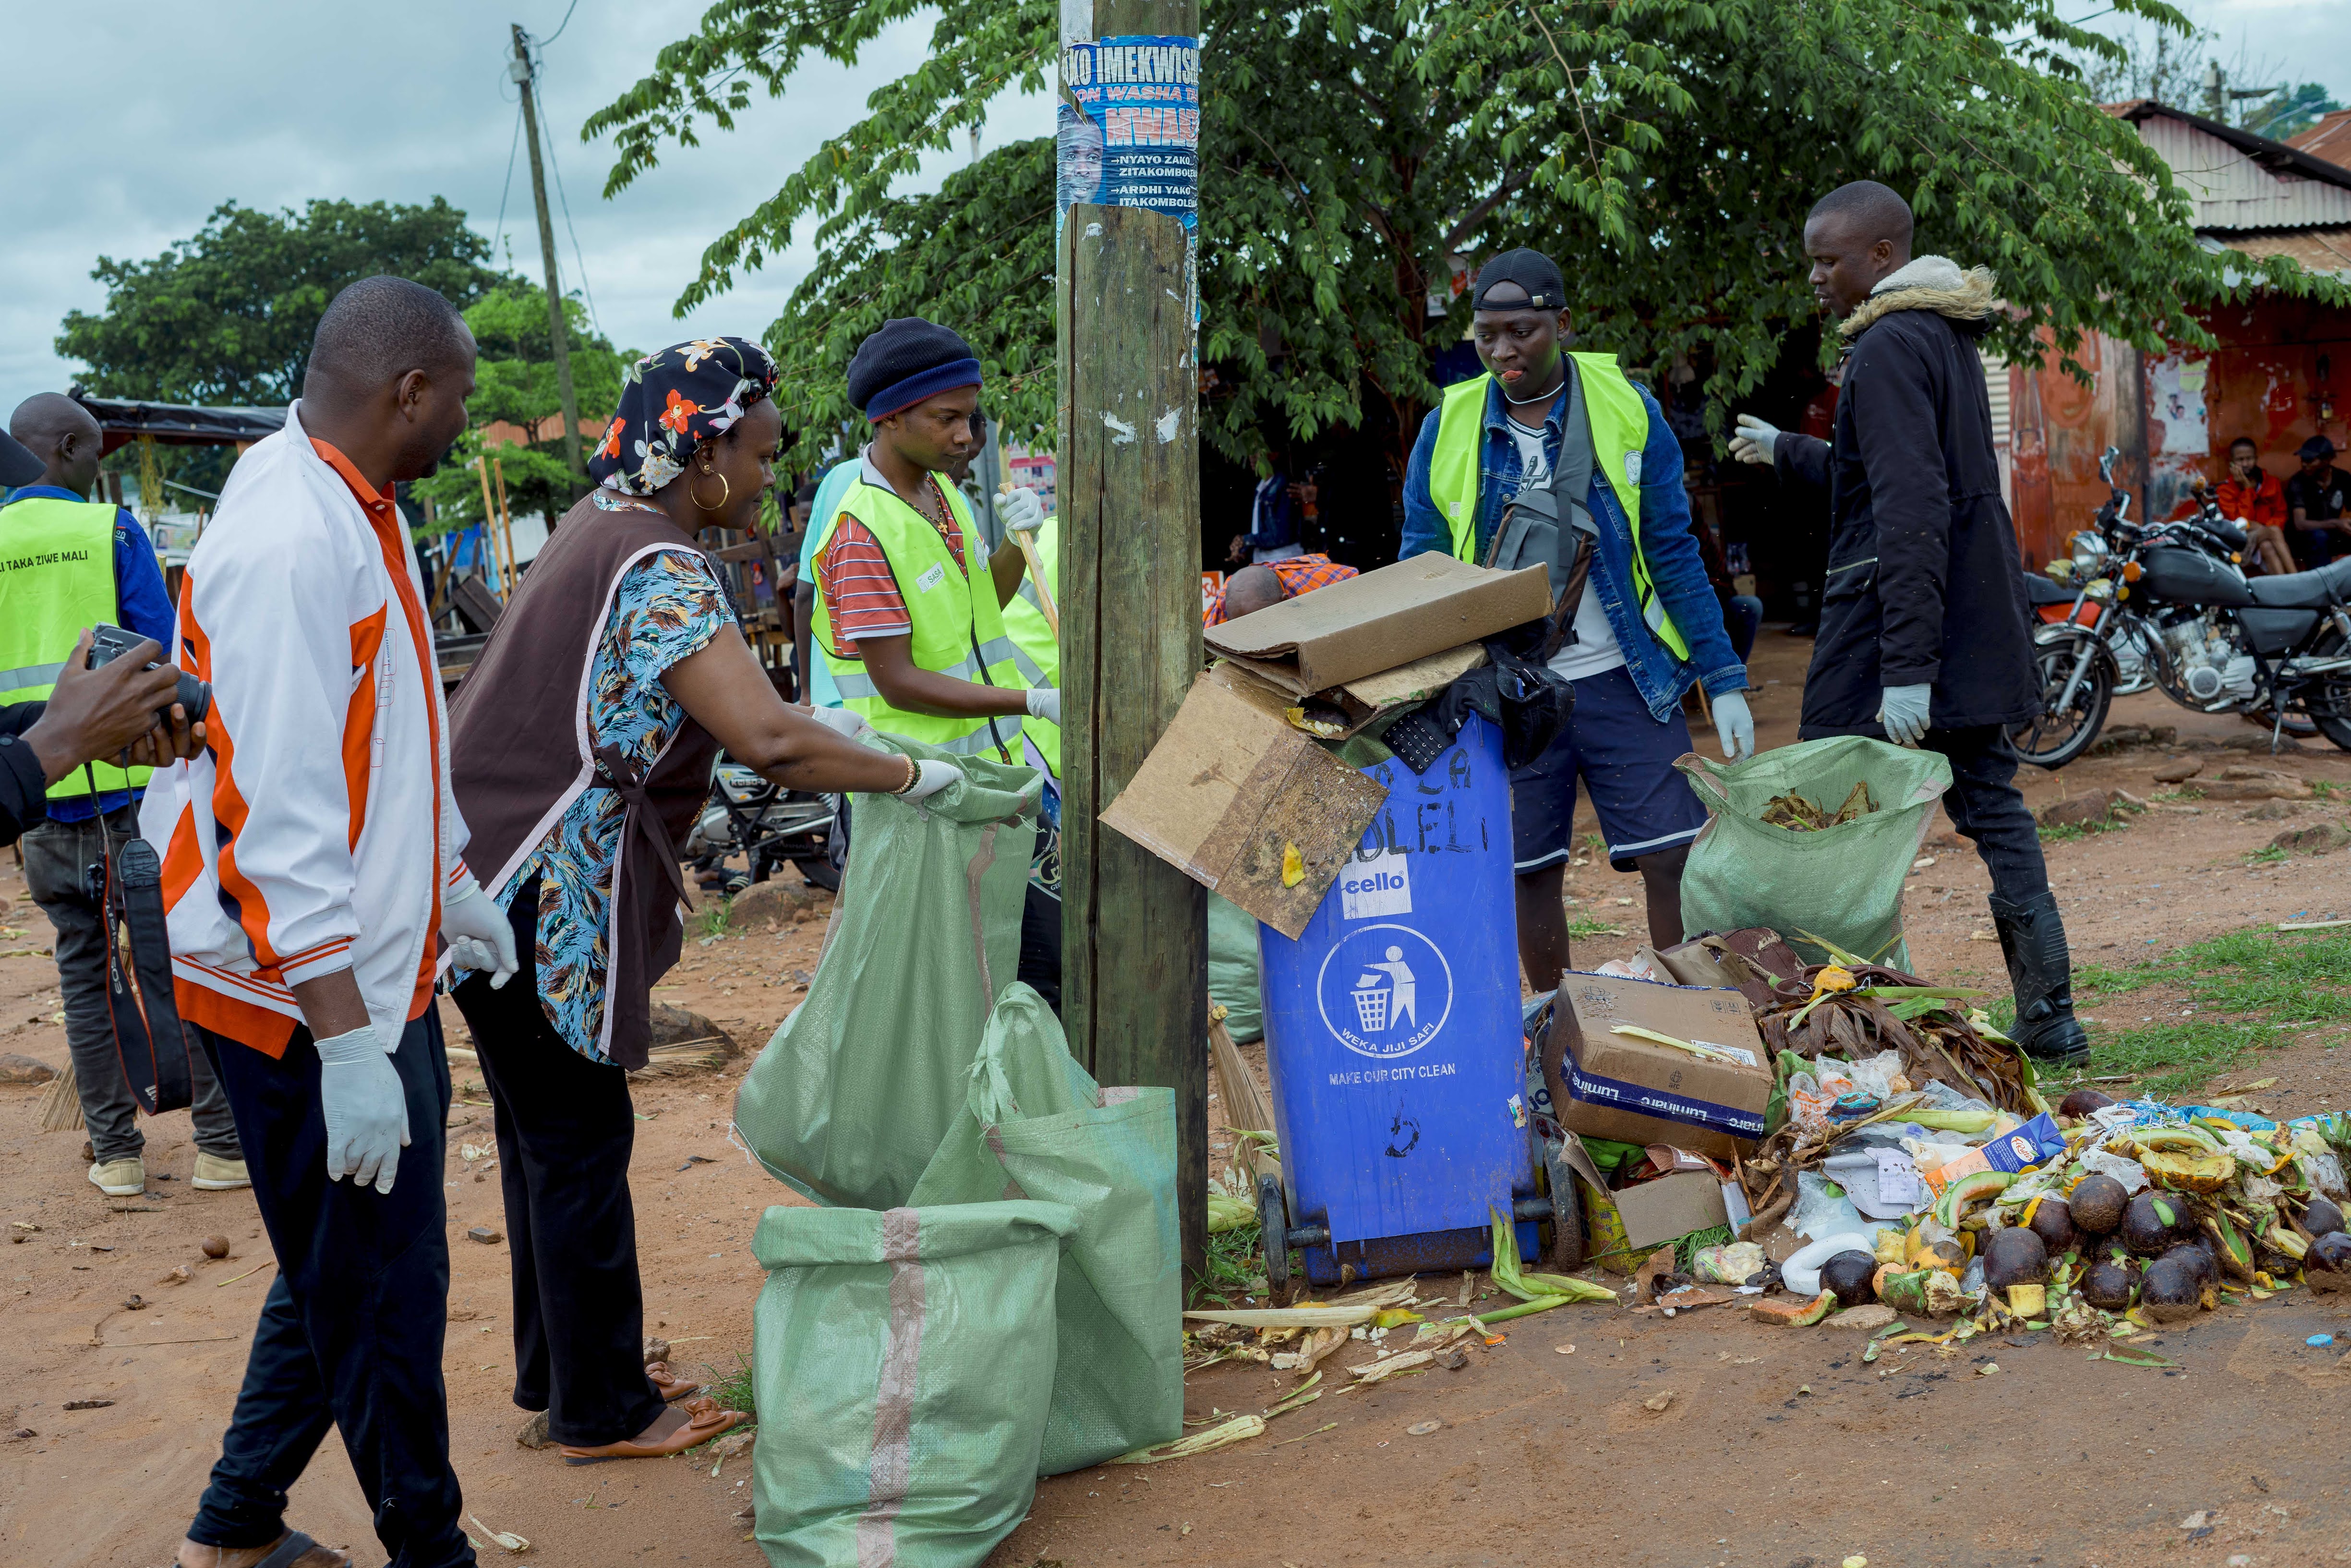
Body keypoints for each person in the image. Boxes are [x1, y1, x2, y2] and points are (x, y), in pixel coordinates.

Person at [446, 337, 942, 1466]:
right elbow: (764, 735)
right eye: (762, 454)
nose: (771, 476)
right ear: (705, 448)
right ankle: (604, 1409)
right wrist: (912, 772)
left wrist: (840, 736)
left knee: (542, 1134)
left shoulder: (596, 526)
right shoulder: (659, 562)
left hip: (487, 872)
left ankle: (564, 1368)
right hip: (549, 884)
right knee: (577, 1135)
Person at [145, 276, 514, 1568]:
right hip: (298, 990)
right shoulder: (296, 540)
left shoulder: (353, 499)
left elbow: (391, 736)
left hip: (363, 967)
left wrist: (448, 874)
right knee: (386, 1297)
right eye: (459, 397)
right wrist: (347, 1042)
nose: (467, 423)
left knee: (342, 1261)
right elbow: (277, 809)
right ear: (407, 391)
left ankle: (235, 1526)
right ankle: (433, 1550)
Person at [1728, 180, 2086, 1065]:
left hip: (1896, 632)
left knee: (1817, 812)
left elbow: (1910, 508)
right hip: (1964, 620)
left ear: (1880, 257)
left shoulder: (1887, 346)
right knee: (1992, 809)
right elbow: (1884, 478)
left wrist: (1904, 669)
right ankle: (2049, 1015)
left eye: (1828, 260)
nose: (1815, 278)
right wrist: (1787, 450)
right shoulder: (1941, 335)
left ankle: (1833, 1023)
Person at [1399, 247, 1755, 980]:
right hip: (1510, 688)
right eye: (1487, 333)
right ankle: (1562, 1029)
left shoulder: (1628, 407)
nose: (1503, 351)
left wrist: (1722, 676)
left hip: (1627, 676)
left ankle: (1689, 1015)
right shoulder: (1448, 427)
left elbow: (1672, 548)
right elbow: (1419, 568)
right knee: (1529, 868)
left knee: (1671, 854)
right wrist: (1421, 686)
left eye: (1522, 331)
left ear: (1561, 323)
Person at [2, 393, 249, 1198]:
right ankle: (218, 1147)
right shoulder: (108, 531)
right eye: (95, 456)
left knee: (81, 972)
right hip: (133, 795)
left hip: (36, 797)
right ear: (66, 447)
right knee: (175, 960)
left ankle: (116, 1156)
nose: (97, 471)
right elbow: (160, 667)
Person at [1203, 554, 1359, 624]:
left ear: (1285, 602)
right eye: (1242, 627)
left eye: (1262, 624)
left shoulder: (1322, 588)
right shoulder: (1221, 611)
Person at [2217, 437, 2291, 577]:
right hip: (2242, 543)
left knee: (2267, 546)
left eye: (2249, 459)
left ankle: (2286, 588)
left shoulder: (2271, 482)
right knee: (2274, 531)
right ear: (2232, 463)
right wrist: (2247, 490)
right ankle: (2297, 578)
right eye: (2240, 460)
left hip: (2268, 539)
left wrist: (2264, 528)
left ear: (2256, 459)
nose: (2245, 464)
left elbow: (2281, 513)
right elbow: (2242, 522)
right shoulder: (2225, 489)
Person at [2286, 435, 2350, 571]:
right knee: (2319, 537)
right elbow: (2300, 524)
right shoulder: (2298, 482)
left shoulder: (2342, 478)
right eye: (2303, 459)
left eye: (2310, 460)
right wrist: (2336, 523)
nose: (2304, 464)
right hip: (2304, 539)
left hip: (2333, 534)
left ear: (2327, 460)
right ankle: (2323, 585)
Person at [1229, 455, 1304, 565]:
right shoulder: (1261, 487)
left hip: (1283, 558)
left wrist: (1246, 541)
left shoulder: (1284, 485)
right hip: (1264, 558)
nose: (1252, 458)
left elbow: (1282, 535)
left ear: (1272, 455)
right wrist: (1245, 548)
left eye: (1257, 452)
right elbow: (1260, 529)